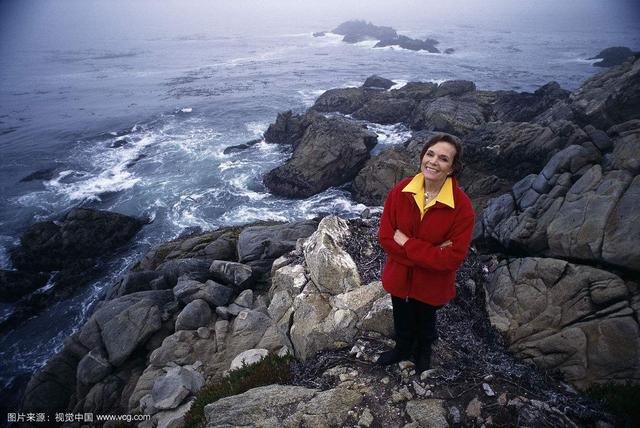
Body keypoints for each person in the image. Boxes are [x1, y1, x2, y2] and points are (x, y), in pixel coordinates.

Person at [377, 133, 475, 373]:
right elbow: (386, 238)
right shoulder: (401, 190)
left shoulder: (462, 208)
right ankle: (402, 348)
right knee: (401, 316)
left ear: (452, 168)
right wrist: (431, 253)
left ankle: (423, 353)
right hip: (399, 276)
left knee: (426, 322)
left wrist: (408, 243)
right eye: (430, 154)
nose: (433, 162)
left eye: (443, 159)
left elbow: (452, 258)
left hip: (433, 284)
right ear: (422, 156)